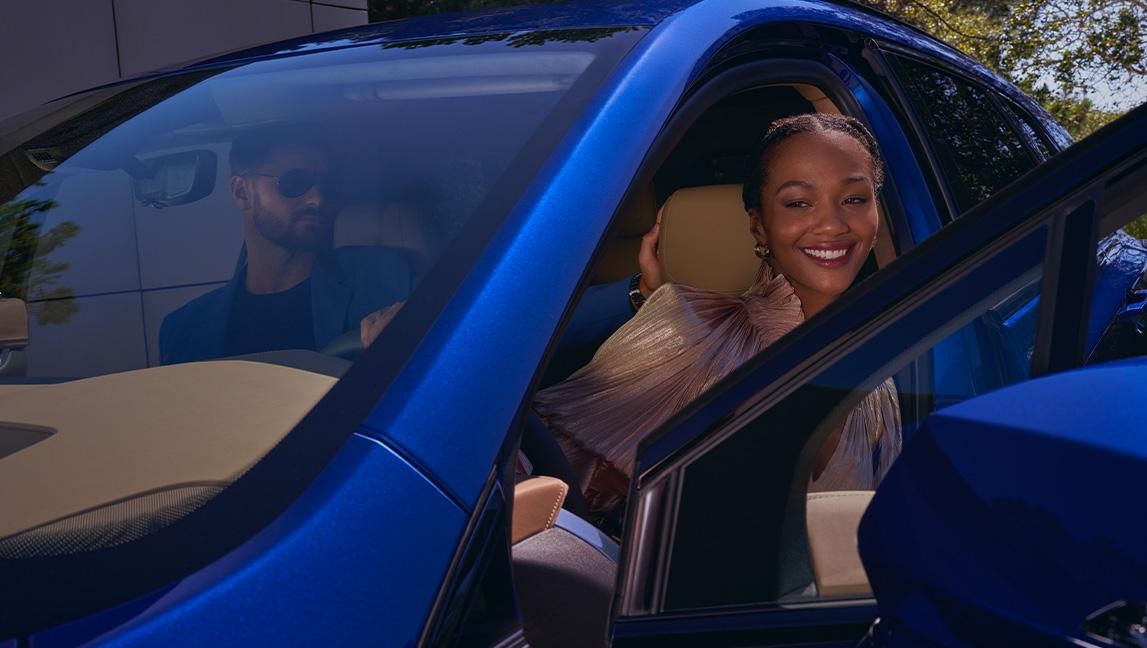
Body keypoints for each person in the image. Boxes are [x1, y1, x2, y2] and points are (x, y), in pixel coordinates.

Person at [533, 114, 903, 522]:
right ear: (759, 226)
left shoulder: (877, 380)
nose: (832, 224)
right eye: (798, 202)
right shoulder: (686, 328)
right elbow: (544, 484)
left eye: (854, 199)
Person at [160, 126, 413, 364]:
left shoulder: (386, 276)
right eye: (294, 182)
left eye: (329, 186)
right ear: (242, 192)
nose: (317, 199)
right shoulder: (184, 330)